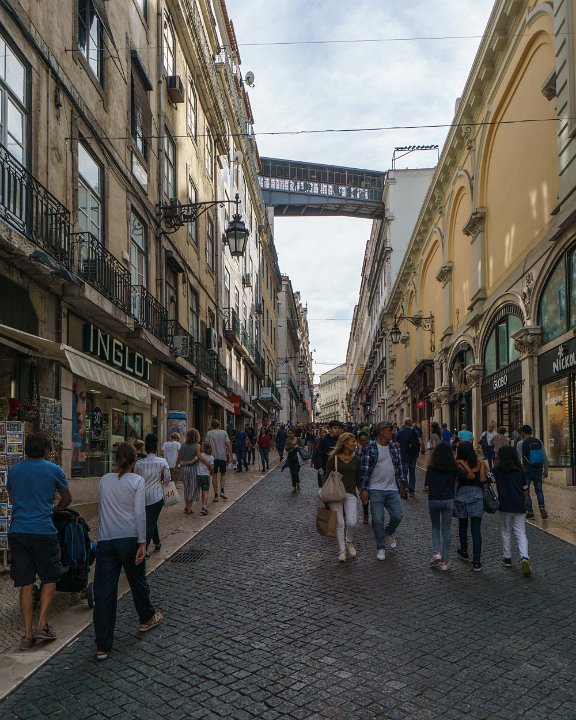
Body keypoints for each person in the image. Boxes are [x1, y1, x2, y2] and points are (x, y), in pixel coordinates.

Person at [94, 443, 163, 661]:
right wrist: (143, 542)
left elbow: (102, 509)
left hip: (106, 540)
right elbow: (139, 513)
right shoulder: (137, 481)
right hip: (129, 539)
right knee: (137, 581)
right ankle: (146, 618)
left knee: (104, 593)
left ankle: (102, 646)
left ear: (116, 459)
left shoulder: (104, 480)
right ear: (134, 462)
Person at [7, 432, 72, 650]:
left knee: (25, 582)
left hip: (18, 531)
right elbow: (67, 498)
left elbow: (12, 497)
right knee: (50, 576)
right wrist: (55, 508)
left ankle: (27, 634)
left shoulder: (14, 471)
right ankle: (42, 624)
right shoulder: (54, 470)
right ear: (46, 450)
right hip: (43, 531)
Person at [360, 420, 407, 561]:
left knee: (398, 515)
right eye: (389, 430)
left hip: (392, 489)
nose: (392, 432)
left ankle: (388, 532)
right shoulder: (370, 448)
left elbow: (399, 467)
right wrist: (364, 489)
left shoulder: (394, 448)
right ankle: (381, 547)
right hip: (375, 489)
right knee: (378, 520)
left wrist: (402, 484)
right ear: (381, 432)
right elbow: (364, 471)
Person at [493, 445, 531, 577]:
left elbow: (487, 477)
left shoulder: (498, 470)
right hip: (519, 504)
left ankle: (507, 558)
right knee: (521, 532)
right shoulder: (520, 470)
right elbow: (525, 490)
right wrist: (524, 502)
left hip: (504, 504)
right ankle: (524, 557)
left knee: (506, 531)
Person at [324, 432, 361, 562]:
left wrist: (363, 492)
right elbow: (326, 477)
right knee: (339, 523)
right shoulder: (333, 459)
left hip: (350, 493)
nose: (355, 444)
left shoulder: (357, 460)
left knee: (352, 522)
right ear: (345, 443)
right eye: (353, 441)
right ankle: (342, 551)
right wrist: (325, 496)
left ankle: (349, 541)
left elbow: (358, 479)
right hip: (335, 494)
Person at [424, 442, 458, 571]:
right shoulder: (453, 468)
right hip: (448, 499)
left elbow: (426, 487)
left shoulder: (431, 468)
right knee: (447, 529)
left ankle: (436, 552)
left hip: (434, 499)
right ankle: (445, 562)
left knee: (435, 527)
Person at [134, 434, 170, 554]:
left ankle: (157, 543)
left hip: (141, 497)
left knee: (151, 520)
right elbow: (167, 480)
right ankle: (143, 550)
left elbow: (135, 480)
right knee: (150, 522)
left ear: (145, 448)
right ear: (156, 446)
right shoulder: (162, 462)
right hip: (156, 497)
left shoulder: (139, 463)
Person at [454, 441, 487, 571]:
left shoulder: (459, 464)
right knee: (476, 530)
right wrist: (482, 464)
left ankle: (464, 550)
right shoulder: (479, 463)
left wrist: (462, 463)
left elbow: (469, 476)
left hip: (461, 497)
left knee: (463, 526)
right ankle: (477, 561)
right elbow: (483, 479)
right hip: (477, 496)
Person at [516, 424, 548, 520]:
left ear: (522, 433)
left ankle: (530, 512)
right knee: (539, 490)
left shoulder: (520, 443)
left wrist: (518, 471)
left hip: (526, 470)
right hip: (538, 470)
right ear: (531, 432)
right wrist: (546, 470)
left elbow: (518, 459)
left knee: (526, 491)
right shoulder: (538, 441)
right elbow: (544, 457)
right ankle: (542, 507)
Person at [205, 419, 232, 502]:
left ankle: (216, 495)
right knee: (223, 474)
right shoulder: (224, 433)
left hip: (213, 457)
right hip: (222, 456)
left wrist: (206, 454)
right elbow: (228, 444)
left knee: (214, 476)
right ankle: (222, 491)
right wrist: (231, 455)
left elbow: (206, 444)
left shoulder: (209, 433)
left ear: (212, 425)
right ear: (219, 425)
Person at [176, 429, 201, 514]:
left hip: (184, 469)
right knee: (193, 487)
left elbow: (179, 458)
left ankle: (186, 506)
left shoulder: (183, 445)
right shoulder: (197, 446)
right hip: (193, 469)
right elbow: (199, 457)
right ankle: (189, 508)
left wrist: (176, 467)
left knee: (186, 487)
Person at [396, 419, 422, 497]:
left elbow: (397, 445)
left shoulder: (400, 433)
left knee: (404, 473)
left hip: (404, 455)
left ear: (404, 424)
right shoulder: (415, 432)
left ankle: (406, 487)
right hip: (413, 455)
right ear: (411, 424)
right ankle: (412, 490)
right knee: (412, 472)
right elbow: (420, 442)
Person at [314, 420, 344, 488]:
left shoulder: (341, 441)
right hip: (326, 469)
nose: (337, 430)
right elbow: (318, 455)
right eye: (335, 428)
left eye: (338, 428)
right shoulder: (323, 441)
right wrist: (320, 467)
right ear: (330, 429)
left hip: (339, 469)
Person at [355, 431, 370, 523]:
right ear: (358, 441)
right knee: (364, 497)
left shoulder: (371, 448)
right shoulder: (356, 450)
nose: (364, 442)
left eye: (365, 440)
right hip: (361, 477)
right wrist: (360, 451)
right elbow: (356, 462)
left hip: (371, 477)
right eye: (362, 441)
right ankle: (366, 515)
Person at [197, 442, 214, 516]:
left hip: (199, 475)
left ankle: (203, 505)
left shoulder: (200, 455)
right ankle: (204, 506)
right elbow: (212, 468)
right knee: (206, 491)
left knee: (202, 491)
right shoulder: (211, 457)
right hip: (206, 476)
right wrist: (210, 472)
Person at [282, 428, 302, 493]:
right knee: (292, 473)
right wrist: (293, 447)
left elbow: (302, 447)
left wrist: (298, 446)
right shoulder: (287, 440)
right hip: (290, 458)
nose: (289, 435)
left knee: (295, 472)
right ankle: (294, 487)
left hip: (297, 458)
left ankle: (298, 483)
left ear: (294, 433)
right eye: (288, 433)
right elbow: (286, 449)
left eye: (291, 433)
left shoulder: (298, 439)